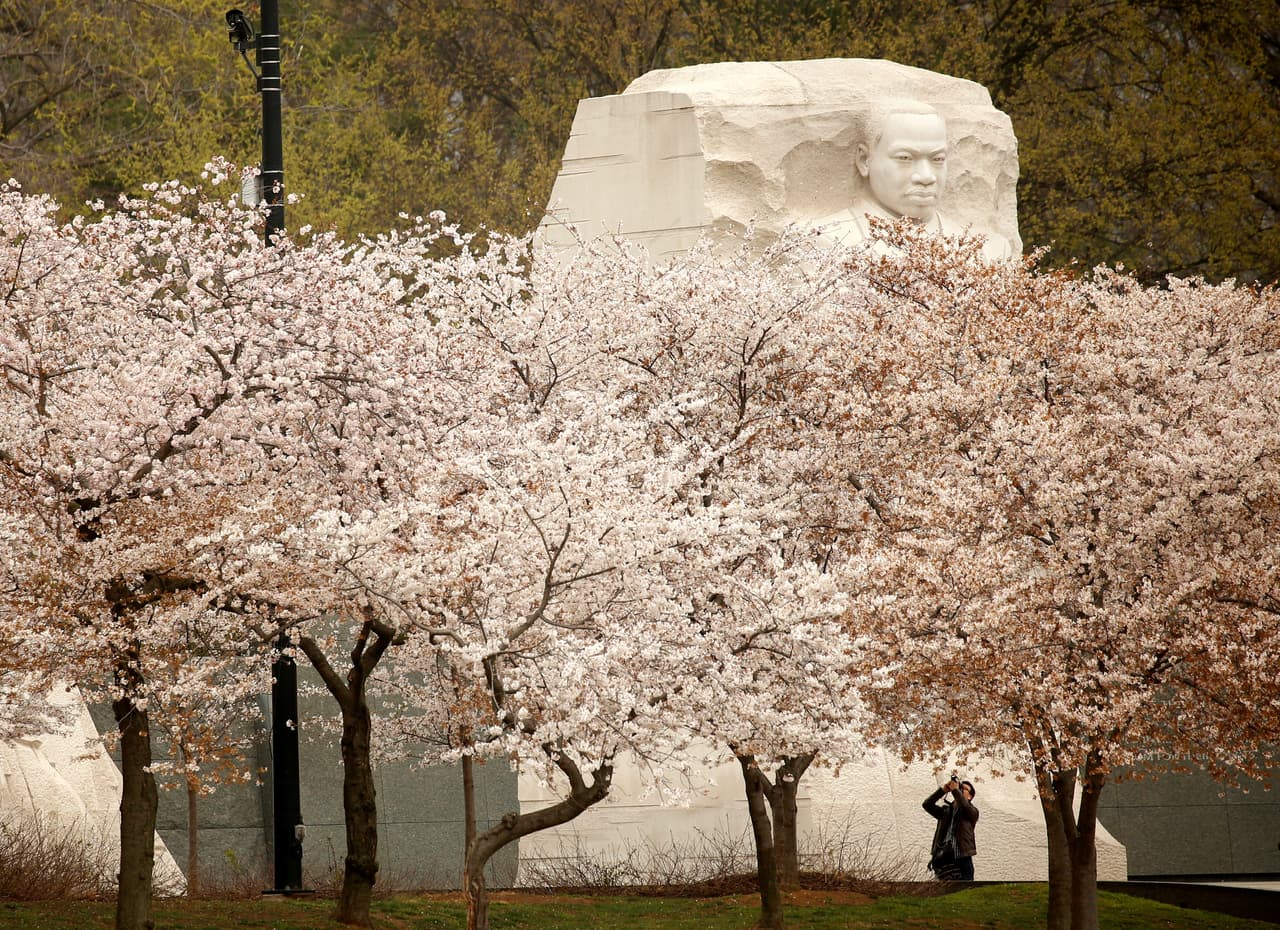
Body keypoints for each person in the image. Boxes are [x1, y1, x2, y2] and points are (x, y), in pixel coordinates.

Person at [815, 101, 1012, 260]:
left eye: (937, 159)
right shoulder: (823, 242)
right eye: (905, 158)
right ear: (865, 160)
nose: (926, 177)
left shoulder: (990, 250)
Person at [922, 776, 979, 880]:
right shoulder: (946, 811)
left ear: (970, 796)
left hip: (961, 855)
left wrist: (955, 790)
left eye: (964, 788)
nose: (960, 789)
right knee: (943, 889)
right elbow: (927, 804)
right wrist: (943, 790)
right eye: (959, 787)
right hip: (943, 856)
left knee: (965, 888)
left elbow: (964, 805)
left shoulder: (972, 811)